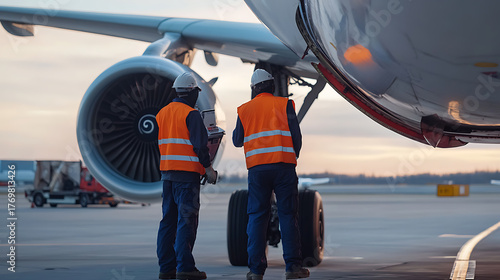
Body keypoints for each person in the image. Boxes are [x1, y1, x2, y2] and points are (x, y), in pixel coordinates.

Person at [233, 69, 310, 280]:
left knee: (257, 217)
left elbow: (237, 140)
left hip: (258, 171)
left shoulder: (244, 110)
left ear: (253, 89)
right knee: (288, 215)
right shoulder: (285, 105)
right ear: (272, 86)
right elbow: (296, 136)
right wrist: (293, 156)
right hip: (284, 167)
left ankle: (256, 271)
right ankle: (293, 267)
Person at [156, 72, 217, 280]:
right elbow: (200, 146)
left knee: (167, 222)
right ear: (191, 93)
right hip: (186, 178)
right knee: (186, 221)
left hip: (167, 176)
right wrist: (208, 169)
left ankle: (166, 268)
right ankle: (185, 268)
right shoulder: (191, 114)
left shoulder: (161, 114)